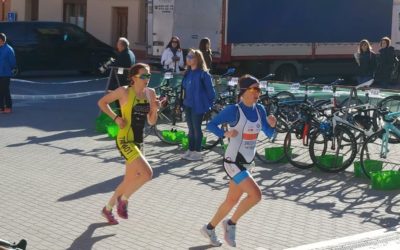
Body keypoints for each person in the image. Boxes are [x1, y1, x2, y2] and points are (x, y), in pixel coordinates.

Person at [201, 75, 277, 247]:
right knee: (256, 195)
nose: (258, 93)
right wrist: (224, 134)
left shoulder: (260, 110)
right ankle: (231, 224)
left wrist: (272, 125)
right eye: (254, 89)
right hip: (232, 161)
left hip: (247, 162)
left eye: (259, 89)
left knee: (231, 201)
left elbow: (269, 134)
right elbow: (211, 125)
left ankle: (209, 228)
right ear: (244, 91)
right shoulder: (233, 110)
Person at [97, 63, 158, 225]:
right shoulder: (124, 91)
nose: (147, 79)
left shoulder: (150, 93)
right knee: (147, 174)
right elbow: (102, 103)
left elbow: (151, 122)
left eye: (149, 76)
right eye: (144, 76)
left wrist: (155, 109)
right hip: (125, 140)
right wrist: (116, 118)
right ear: (134, 78)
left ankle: (108, 209)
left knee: (129, 180)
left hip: (139, 141)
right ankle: (123, 200)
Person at [181, 48, 216, 161]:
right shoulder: (188, 72)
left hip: (198, 105)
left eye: (191, 57)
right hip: (188, 104)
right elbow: (184, 89)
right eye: (188, 56)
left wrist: (209, 104)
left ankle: (197, 152)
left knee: (196, 128)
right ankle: (191, 150)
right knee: (190, 129)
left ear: (198, 59)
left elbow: (211, 92)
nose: (188, 58)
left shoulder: (203, 74)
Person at [0, 33, 17, 114]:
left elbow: (12, 63)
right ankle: (1, 107)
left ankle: (8, 107)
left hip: (5, 74)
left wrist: (10, 68)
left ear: (3, 41)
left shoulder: (9, 49)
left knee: (5, 91)